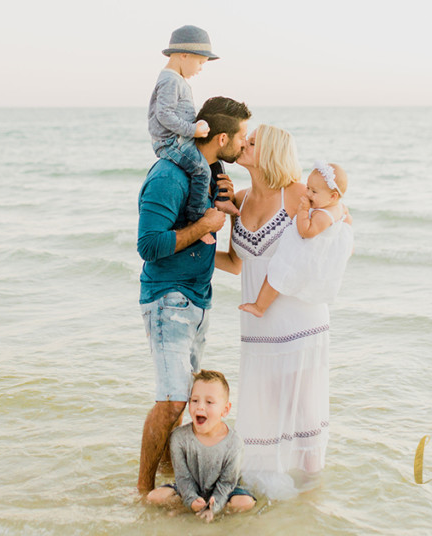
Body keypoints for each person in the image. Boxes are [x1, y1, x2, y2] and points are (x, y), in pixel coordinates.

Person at [137, 96, 252, 494]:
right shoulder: (169, 176)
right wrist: (204, 222)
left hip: (199, 302)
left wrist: (231, 211)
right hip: (168, 297)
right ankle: (141, 492)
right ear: (222, 137)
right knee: (171, 402)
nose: (245, 144)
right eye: (242, 137)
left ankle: (171, 485)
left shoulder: (211, 174)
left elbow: (224, 257)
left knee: (182, 402)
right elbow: (149, 245)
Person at [214, 124, 332, 499]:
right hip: (257, 327)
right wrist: (185, 254)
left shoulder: (297, 194)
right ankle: (274, 493)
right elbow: (236, 263)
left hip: (298, 325)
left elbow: (339, 218)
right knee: (264, 407)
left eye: (252, 143)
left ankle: (310, 499)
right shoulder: (243, 199)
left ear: (272, 154)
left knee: (301, 410)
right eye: (245, 141)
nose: (243, 145)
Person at [148, 25, 238, 246]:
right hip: (171, 142)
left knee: (214, 156)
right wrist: (193, 130)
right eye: (199, 62)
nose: (200, 68)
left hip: (182, 137)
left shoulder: (177, 79)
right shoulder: (170, 80)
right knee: (201, 169)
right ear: (183, 55)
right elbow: (164, 115)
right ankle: (196, 220)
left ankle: (222, 199)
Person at [239, 162, 353, 317]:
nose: (308, 194)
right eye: (308, 188)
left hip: (304, 252)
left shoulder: (323, 215)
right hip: (312, 251)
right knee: (277, 274)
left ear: (333, 196)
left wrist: (303, 210)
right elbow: (347, 220)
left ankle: (260, 307)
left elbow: (306, 231)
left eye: (314, 191)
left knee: (277, 273)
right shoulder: (336, 206)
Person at [144, 370, 256, 522]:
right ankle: (191, 507)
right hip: (190, 486)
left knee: (245, 503)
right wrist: (191, 500)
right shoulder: (179, 437)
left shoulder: (234, 443)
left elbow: (227, 483)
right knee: (154, 497)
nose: (200, 407)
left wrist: (213, 507)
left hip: (225, 491)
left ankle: (211, 511)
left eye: (209, 402)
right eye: (195, 400)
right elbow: (183, 478)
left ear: (225, 409)